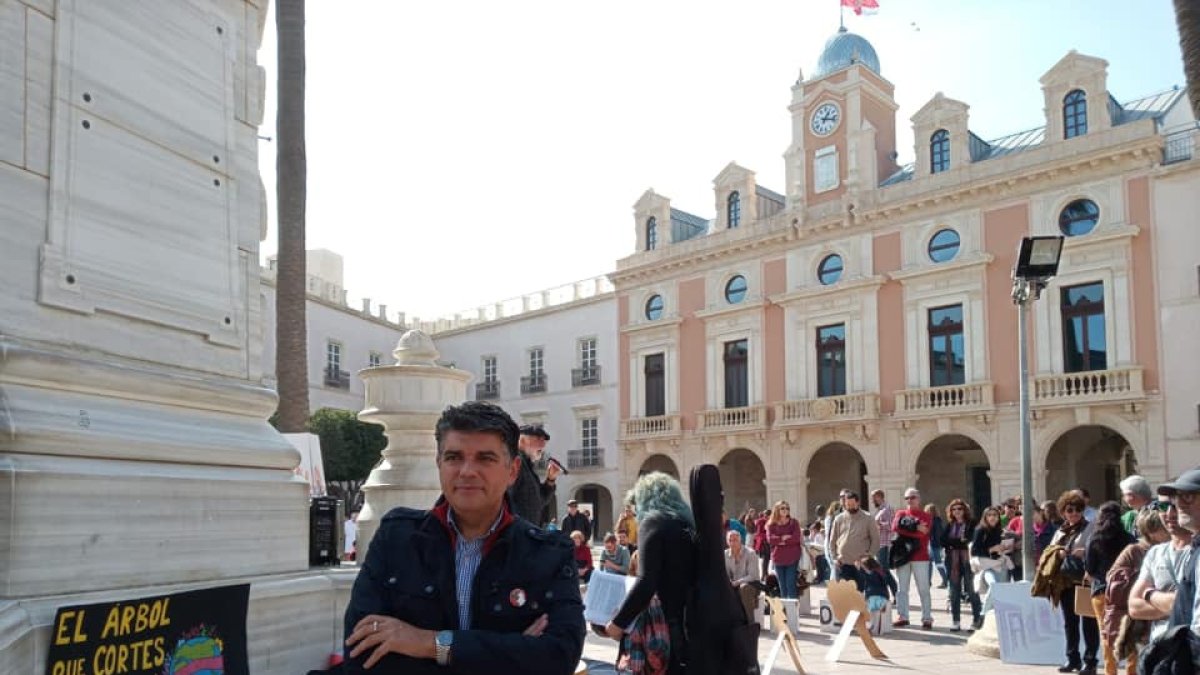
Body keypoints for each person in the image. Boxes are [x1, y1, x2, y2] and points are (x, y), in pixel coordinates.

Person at [342, 401, 584, 674]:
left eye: (485, 458)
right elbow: (361, 655)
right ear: (439, 464)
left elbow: (558, 658)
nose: (467, 471)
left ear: (513, 471)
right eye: (454, 457)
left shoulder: (549, 554)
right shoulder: (396, 538)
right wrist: (510, 654)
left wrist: (429, 643)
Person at [606, 472, 697, 675]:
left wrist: (618, 622)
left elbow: (647, 581)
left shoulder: (653, 522)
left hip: (662, 625)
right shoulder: (688, 525)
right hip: (691, 623)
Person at [1104, 506, 1168, 673]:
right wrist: (1142, 578)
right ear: (1152, 531)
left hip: (1162, 613)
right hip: (1141, 614)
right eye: (1163, 528)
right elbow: (1112, 577)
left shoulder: (1169, 549)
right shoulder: (1134, 550)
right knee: (1142, 655)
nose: (1168, 531)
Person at [1129, 494, 1191, 642]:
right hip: (1160, 650)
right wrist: (1176, 607)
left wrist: (1150, 595)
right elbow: (1134, 607)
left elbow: (1189, 605)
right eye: (1163, 506)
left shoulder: (1195, 551)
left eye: (1176, 506)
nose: (1169, 513)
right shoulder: (1155, 553)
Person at [1050, 490, 1098, 675]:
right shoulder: (1061, 530)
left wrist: (1083, 552)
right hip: (1065, 581)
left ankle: (1090, 662)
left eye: (1078, 509)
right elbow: (1051, 550)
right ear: (1063, 511)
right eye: (1070, 510)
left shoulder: (1090, 527)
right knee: (1070, 622)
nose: (1074, 513)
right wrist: (1059, 552)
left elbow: (1096, 549)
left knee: (1088, 622)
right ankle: (1072, 659)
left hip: (1084, 579)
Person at [1084, 501, 1134, 675]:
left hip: (1101, 590)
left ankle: (1110, 671)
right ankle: (1131, 670)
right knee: (1130, 630)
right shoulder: (1128, 538)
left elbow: (1089, 568)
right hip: (1126, 591)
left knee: (1105, 633)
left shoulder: (1095, 539)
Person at [892, 487, 934, 630]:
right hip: (903, 556)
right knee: (902, 589)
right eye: (907, 498)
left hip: (920, 556)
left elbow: (923, 534)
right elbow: (895, 527)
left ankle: (927, 618)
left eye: (913, 497)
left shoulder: (926, 516)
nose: (909, 500)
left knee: (923, 589)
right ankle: (903, 616)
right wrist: (916, 527)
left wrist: (907, 528)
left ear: (919, 498)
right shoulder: (900, 513)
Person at [942, 498, 981, 632]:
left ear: (965, 510)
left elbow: (972, 540)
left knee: (972, 590)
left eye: (960, 509)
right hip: (952, 561)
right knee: (954, 590)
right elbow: (943, 540)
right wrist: (958, 541)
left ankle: (976, 620)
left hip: (968, 560)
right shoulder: (949, 525)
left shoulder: (972, 523)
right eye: (954, 509)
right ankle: (956, 620)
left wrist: (954, 542)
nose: (957, 511)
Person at [508, 424, 560, 524]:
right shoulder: (514, 462)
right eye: (538, 438)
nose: (543, 444)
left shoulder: (527, 466)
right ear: (522, 440)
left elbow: (540, 501)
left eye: (544, 440)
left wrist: (550, 479)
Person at [828, 492, 878, 590]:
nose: (850, 507)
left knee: (859, 594)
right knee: (845, 593)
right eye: (847, 505)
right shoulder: (839, 519)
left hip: (861, 564)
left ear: (858, 503)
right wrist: (834, 558)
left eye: (852, 504)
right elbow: (832, 541)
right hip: (843, 563)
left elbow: (875, 540)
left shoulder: (868, 518)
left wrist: (868, 556)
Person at [971, 506, 1008, 629]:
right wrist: (992, 549)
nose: (992, 517)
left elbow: (998, 548)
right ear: (985, 517)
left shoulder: (998, 531)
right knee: (993, 586)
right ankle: (981, 616)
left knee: (999, 593)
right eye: (989, 515)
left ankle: (993, 622)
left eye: (995, 515)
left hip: (998, 563)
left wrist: (1003, 547)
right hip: (986, 565)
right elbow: (975, 550)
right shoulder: (980, 530)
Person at [766, 500, 804, 599]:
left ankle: (793, 611)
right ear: (777, 510)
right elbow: (770, 540)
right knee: (782, 586)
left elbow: (796, 538)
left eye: (787, 508)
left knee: (790, 584)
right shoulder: (771, 524)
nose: (785, 510)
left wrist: (780, 541)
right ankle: (785, 612)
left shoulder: (794, 522)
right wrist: (783, 538)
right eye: (782, 508)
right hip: (778, 558)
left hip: (792, 558)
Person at [724, 530, 761, 625]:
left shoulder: (750, 553)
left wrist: (737, 582)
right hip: (733, 584)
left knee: (744, 588)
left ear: (740, 541)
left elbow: (753, 575)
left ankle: (750, 623)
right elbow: (725, 574)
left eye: (735, 540)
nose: (732, 543)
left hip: (751, 584)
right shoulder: (725, 554)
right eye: (730, 540)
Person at [858, 555, 897, 620]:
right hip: (883, 597)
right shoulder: (882, 571)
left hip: (871, 597)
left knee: (872, 615)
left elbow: (860, 586)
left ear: (866, 567)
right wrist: (894, 594)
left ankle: (873, 626)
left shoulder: (865, 574)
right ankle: (882, 624)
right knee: (883, 616)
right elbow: (893, 583)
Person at [925, 503, 948, 588]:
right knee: (929, 563)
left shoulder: (936, 521)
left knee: (938, 563)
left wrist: (936, 543)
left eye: (928, 511)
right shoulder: (933, 520)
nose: (926, 512)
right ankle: (928, 582)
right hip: (932, 544)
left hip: (935, 545)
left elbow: (937, 534)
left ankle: (945, 581)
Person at [872, 490, 896, 571]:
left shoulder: (887, 509)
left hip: (884, 544)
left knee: (883, 569)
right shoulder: (880, 510)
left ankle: (892, 584)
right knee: (882, 569)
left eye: (873, 498)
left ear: (879, 497)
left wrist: (879, 524)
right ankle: (890, 584)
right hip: (879, 544)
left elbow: (891, 526)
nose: (872, 501)